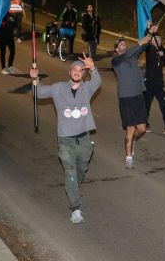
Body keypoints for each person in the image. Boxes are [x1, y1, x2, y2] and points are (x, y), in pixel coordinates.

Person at [30, 54, 101, 224]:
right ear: (69, 72)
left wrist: (92, 68)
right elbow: (38, 93)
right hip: (66, 140)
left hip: (84, 139)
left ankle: (73, 188)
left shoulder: (87, 88)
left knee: (80, 170)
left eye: (80, 71)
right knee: (70, 173)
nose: (77, 72)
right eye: (74, 70)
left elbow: (97, 81)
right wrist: (35, 78)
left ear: (83, 74)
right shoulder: (58, 88)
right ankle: (75, 209)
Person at [113, 25, 158, 169]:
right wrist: (140, 42)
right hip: (126, 99)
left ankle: (132, 142)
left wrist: (149, 33)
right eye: (120, 44)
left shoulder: (132, 55)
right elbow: (133, 49)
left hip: (138, 96)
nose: (123, 44)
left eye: (123, 42)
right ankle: (128, 158)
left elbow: (143, 46)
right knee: (131, 129)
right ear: (116, 50)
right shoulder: (116, 61)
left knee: (142, 129)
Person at [143, 28, 165, 135]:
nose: (158, 41)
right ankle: (145, 124)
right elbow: (145, 38)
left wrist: (163, 56)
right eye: (155, 39)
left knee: (164, 105)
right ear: (152, 40)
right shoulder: (148, 49)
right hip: (149, 82)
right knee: (147, 104)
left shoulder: (163, 50)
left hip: (159, 83)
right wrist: (149, 30)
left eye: (159, 39)